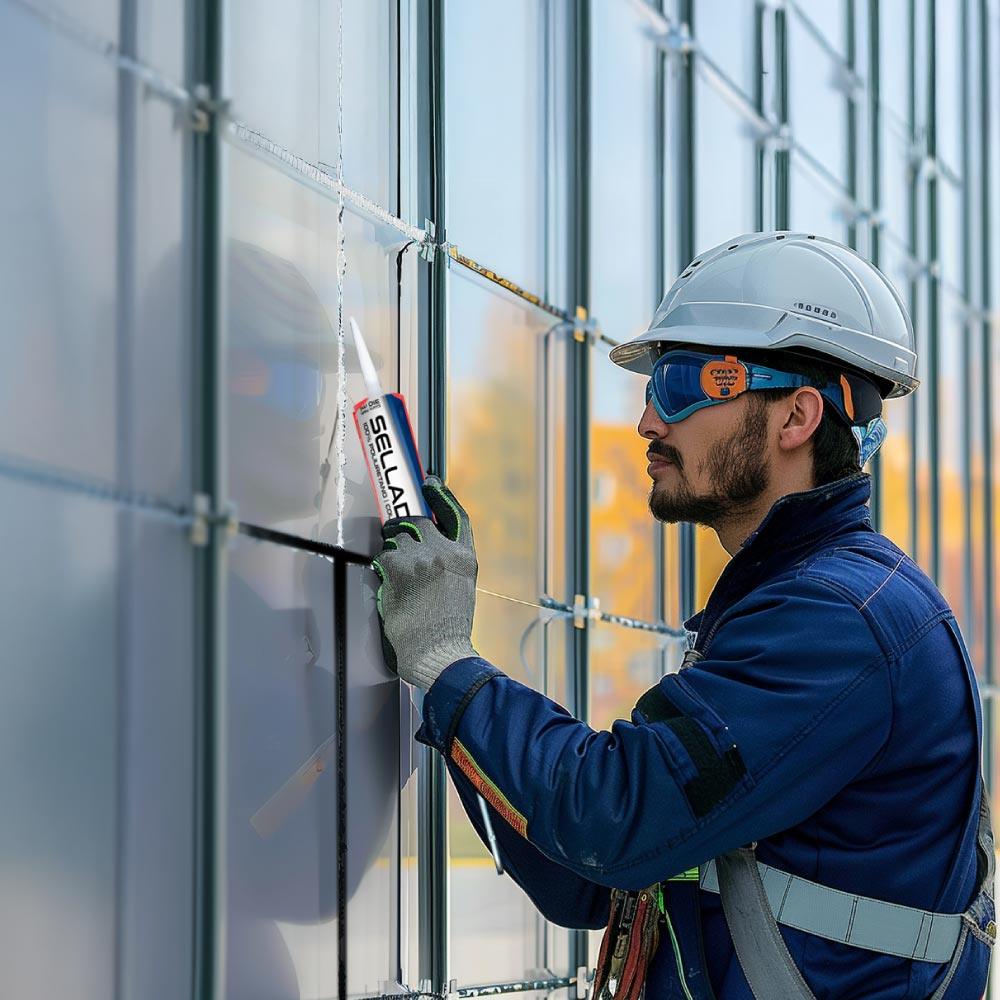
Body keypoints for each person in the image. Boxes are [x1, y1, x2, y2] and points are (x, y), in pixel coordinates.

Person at [371, 232, 995, 998]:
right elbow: (589, 880)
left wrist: (445, 665)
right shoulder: (789, 603)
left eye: (679, 382)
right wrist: (450, 697)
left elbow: (612, 820)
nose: (647, 421)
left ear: (796, 417)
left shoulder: (837, 622)